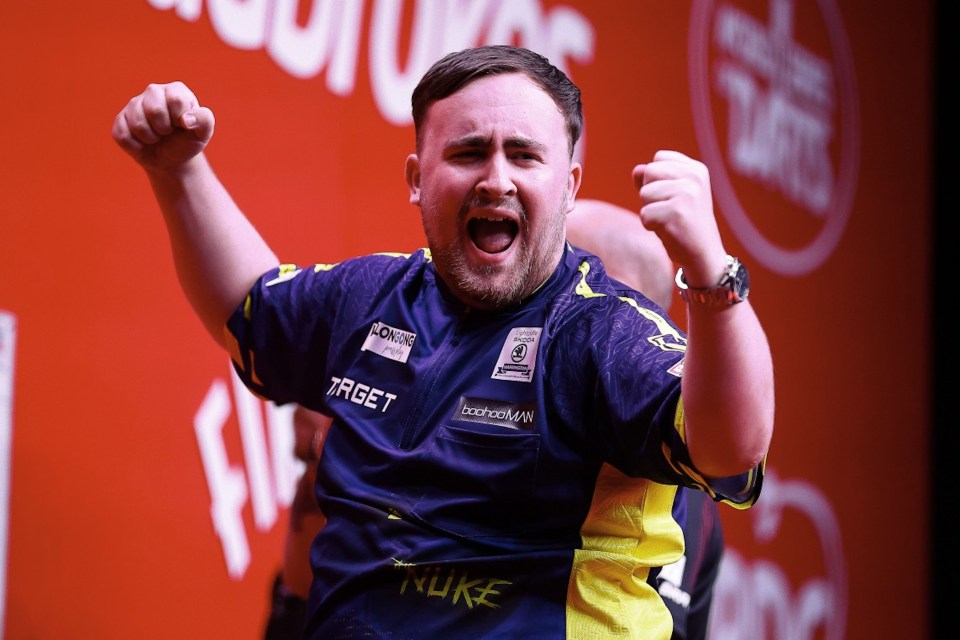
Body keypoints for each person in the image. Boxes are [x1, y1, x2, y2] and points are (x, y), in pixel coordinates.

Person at [112, 44, 774, 639]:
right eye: (467, 152)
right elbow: (248, 310)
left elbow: (730, 447)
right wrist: (179, 173)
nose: (496, 178)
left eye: (523, 153)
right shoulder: (368, 299)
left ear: (568, 187)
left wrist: (714, 279)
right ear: (416, 179)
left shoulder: (602, 332)